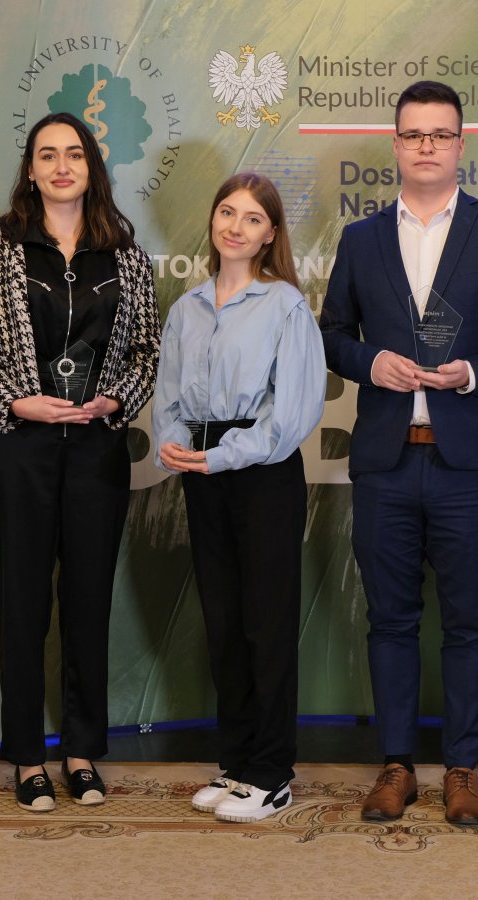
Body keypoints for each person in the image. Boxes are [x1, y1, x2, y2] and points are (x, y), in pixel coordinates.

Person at [319, 81, 478, 826]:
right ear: (395, 145)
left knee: (468, 621)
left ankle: (461, 768)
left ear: (460, 145)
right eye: (414, 134)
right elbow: (330, 335)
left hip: (467, 463)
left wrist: (474, 371)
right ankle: (396, 766)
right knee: (389, 621)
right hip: (386, 461)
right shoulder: (361, 239)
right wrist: (370, 363)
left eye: (440, 134)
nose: (427, 146)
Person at [0, 111, 159, 813]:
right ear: (31, 169)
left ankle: (80, 752)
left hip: (97, 450)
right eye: (48, 155)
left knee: (88, 601)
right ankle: (26, 756)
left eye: (74, 154)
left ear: (92, 167)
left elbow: (146, 351)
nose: (62, 166)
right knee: (21, 602)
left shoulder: (126, 255)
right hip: (22, 448)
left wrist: (117, 400)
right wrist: (18, 403)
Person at [154, 173, 326, 824]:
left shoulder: (284, 305)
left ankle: (272, 774)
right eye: (227, 212)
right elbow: (169, 396)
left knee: (266, 624)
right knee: (223, 622)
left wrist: (221, 455)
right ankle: (236, 764)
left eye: (252, 218)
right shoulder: (187, 308)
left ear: (270, 234)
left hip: (261, 474)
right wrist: (173, 444)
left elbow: (293, 412)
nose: (235, 226)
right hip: (201, 474)